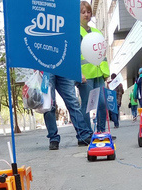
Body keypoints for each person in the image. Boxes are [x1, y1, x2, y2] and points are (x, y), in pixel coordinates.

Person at [78, 1, 110, 133]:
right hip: (85, 76)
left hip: (99, 74)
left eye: (89, 12)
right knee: (86, 106)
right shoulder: (76, 33)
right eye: (83, 12)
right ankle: (87, 133)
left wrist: (106, 72)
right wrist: (78, 73)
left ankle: (101, 131)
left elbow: (102, 53)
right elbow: (73, 55)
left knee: (102, 103)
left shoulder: (96, 31)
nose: (86, 14)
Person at [44, 74, 93, 150]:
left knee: (73, 102)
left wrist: (78, 71)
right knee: (49, 104)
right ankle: (53, 138)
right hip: (45, 67)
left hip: (64, 67)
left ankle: (83, 135)